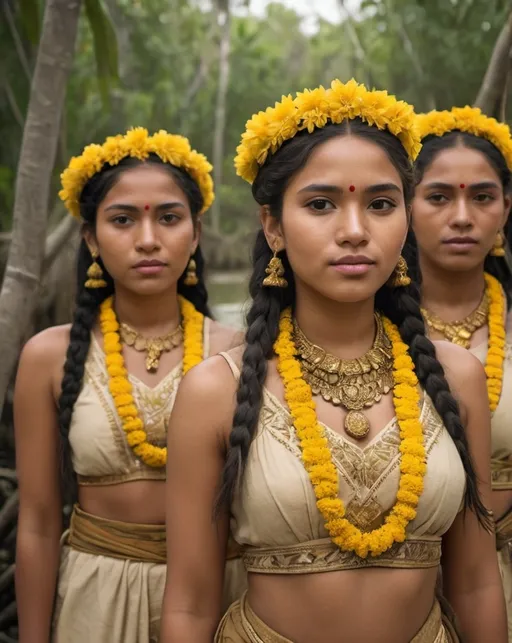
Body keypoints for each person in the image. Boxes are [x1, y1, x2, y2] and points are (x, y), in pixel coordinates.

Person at [161, 81, 506, 642]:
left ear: (405, 219)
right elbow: (190, 605)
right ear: (272, 226)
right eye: (321, 204)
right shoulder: (212, 392)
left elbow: (474, 584)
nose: (354, 231)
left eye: (380, 204)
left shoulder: (454, 377)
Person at [14, 128, 244, 643]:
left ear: (196, 232)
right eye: (123, 220)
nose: (147, 239)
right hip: (97, 593)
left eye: (168, 217)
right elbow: (37, 521)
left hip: (223, 593)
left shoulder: (242, 351)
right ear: (91, 238)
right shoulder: (47, 358)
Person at [406, 106, 512, 638]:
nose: (463, 216)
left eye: (482, 197)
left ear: (507, 209)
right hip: (403, 584)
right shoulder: (371, 335)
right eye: (439, 196)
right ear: (403, 205)